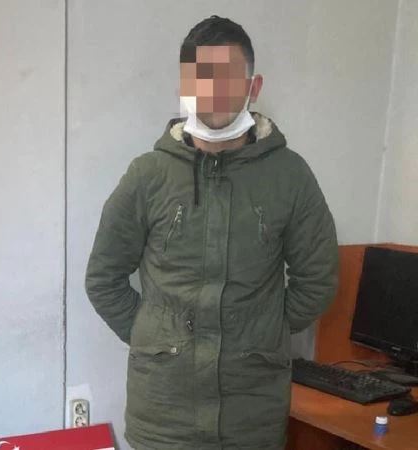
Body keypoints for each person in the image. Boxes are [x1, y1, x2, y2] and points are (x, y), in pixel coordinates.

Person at [85, 16, 339, 450]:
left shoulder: (290, 176)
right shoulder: (148, 175)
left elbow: (317, 280)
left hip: (251, 419)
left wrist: (265, 331)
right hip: (163, 420)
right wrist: (152, 334)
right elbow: (103, 279)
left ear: (253, 87)